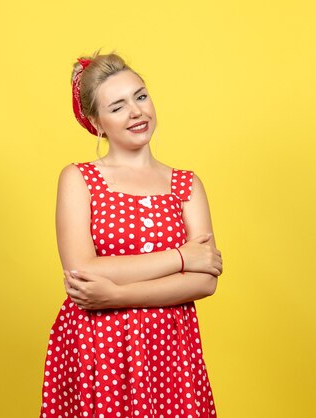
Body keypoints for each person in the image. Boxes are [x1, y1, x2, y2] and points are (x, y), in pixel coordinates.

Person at [39, 50, 223, 418]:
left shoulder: (186, 184)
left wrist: (116, 294)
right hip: (99, 347)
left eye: (140, 96)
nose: (137, 112)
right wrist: (182, 258)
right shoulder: (79, 179)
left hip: (171, 350)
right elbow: (83, 270)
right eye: (118, 106)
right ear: (97, 122)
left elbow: (204, 282)